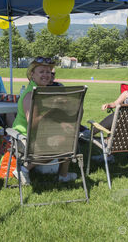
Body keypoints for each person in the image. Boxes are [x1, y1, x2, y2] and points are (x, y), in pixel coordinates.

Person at [11, 57, 77, 185]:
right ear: (32, 75)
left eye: (48, 72)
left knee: (68, 135)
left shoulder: (41, 91)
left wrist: (61, 124)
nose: (46, 75)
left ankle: (63, 175)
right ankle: (23, 169)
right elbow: (33, 124)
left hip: (39, 134)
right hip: (24, 138)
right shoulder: (31, 95)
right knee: (63, 141)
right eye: (42, 72)